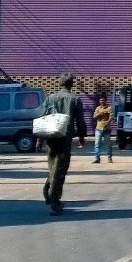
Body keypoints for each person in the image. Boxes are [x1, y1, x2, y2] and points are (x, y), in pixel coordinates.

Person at [42, 74, 87, 216]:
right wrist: (81, 136)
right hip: (64, 138)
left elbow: (43, 117)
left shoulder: (50, 98)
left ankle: (50, 193)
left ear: (60, 83)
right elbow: (80, 121)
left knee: (53, 166)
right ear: (71, 84)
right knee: (60, 171)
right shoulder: (75, 100)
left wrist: (39, 139)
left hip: (50, 137)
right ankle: (54, 201)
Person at [92, 95, 113, 164]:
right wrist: (100, 114)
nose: (102, 102)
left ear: (105, 101)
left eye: (103, 100)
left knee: (108, 144)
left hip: (107, 129)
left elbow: (111, 117)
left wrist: (108, 122)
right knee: (97, 144)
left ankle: (109, 157)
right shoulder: (98, 108)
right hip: (98, 128)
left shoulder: (109, 108)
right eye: (100, 100)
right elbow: (94, 116)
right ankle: (97, 158)